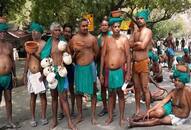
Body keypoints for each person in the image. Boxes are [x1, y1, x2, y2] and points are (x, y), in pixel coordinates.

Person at [40, 22, 76, 130]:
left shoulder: (63, 42)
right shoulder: (49, 43)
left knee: (64, 98)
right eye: (55, 30)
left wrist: (64, 61)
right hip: (52, 73)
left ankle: (69, 122)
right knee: (54, 98)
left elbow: (68, 56)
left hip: (61, 72)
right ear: (51, 32)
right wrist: (43, 74)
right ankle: (54, 120)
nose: (58, 32)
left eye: (59, 30)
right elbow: (44, 57)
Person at [100, 17, 131, 126]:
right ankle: (110, 117)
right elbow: (103, 56)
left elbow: (128, 56)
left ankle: (121, 118)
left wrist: (128, 72)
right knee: (111, 95)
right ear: (111, 28)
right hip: (109, 71)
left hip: (120, 70)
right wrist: (101, 73)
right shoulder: (107, 40)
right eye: (115, 27)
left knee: (121, 94)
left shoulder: (124, 39)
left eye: (118, 26)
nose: (117, 29)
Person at [68, 19, 99, 125]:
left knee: (93, 93)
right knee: (78, 93)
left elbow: (96, 53)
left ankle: (93, 116)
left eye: (86, 26)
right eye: (83, 26)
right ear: (79, 27)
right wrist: (76, 53)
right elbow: (69, 56)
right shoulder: (74, 39)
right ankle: (80, 115)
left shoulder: (92, 38)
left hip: (90, 68)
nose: (85, 28)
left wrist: (90, 60)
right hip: (79, 68)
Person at [23, 22, 48, 127]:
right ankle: (32, 118)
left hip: (41, 74)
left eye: (36, 31)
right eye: (32, 31)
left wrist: (43, 75)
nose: (33, 33)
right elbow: (27, 60)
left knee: (42, 96)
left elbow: (46, 60)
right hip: (31, 74)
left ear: (40, 33)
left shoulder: (44, 44)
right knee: (32, 96)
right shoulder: (28, 44)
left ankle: (43, 117)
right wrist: (24, 74)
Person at [130, 9, 152, 117]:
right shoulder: (135, 32)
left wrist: (136, 43)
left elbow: (143, 46)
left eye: (141, 18)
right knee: (137, 88)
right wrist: (137, 43)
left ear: (145, 20)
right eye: (138, 18)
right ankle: (138, 110)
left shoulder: (148, 31)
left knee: (145, 88)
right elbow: (129, 44)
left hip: (143, 62)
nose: (139, 20)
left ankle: (148, 110)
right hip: (134, 63)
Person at [0, 18, 17, 128]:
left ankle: (9, 121)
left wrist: (15, 75)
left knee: (9, 99)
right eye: (0, 32)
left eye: (4, 32)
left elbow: (13, 61)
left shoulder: (9, 45)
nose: (2, 34)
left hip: (8, 76)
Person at [58, 23, 76, 120]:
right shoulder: (59, 41)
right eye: (66, 31)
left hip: (70, 69)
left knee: (71, 89)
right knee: (62, 90)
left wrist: (73, 54)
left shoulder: (73, 42)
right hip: (61, 69)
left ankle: (72, 110)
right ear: (63, 31)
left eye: (69, 32)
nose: (67, 33)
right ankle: (62, 111)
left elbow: (73, 58)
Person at [97, 19, 112, 117]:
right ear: (100, 27)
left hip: (111, 66)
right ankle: (105, 108)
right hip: (100, 66)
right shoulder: (98, 38)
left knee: (111, 88)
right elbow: (96, 53)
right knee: (102, 87)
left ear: (108, 26)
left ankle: (112, 108)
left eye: (106, 25)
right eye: (102, 25)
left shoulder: (112, 37)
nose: (104, 27)